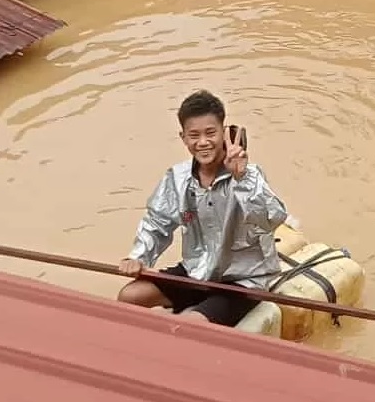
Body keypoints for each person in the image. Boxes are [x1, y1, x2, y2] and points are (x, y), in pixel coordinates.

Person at [116, 90, 288, 326]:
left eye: (210, 133)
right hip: (197, 271)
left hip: (243, 279)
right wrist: (137, 257)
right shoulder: (177, 177)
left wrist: (242, 178)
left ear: (224, 133)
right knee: (129, 297)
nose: (203, 142)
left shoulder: (248, 174)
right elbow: (157, 222)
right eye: (194, 135)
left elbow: (272, 219)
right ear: (183, 138)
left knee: (194, 323)